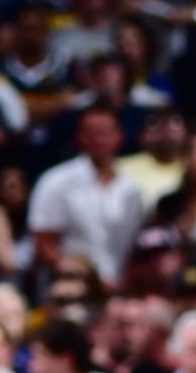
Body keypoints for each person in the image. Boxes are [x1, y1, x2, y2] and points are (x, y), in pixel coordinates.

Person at [27, 102, 144, 291]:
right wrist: (74, 268)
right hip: (72, 285)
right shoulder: (56, 181)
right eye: (91, 133)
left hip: (122, 287)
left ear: (119, 136)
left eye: (105, 132)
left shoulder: (133, 187)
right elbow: (43, 241)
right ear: (79, 137)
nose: (98, 140)